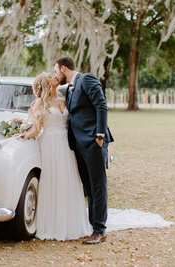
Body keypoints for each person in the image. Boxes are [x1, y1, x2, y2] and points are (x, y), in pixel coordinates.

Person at [20, 72, 92, 241]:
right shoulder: (40, 103)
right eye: (50, 76)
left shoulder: (65, 99)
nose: (55, 76)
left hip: (67, 145)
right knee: (53, 179)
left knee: (69, 179)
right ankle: (53, 223)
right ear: (46, 83)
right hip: (50, 144)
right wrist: (24, 135)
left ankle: (71, 222)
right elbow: (37, 129)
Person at [53, 56, 113, 244]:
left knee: (97, 186)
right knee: (89, 188)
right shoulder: (70, 89)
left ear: (63, 68)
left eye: (55, 71)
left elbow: (101, 105)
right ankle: (93, 226)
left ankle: (99, 230)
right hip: (79, 144)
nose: (55, 75)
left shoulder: (86, 79)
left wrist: (100, 136)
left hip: (93, 142)